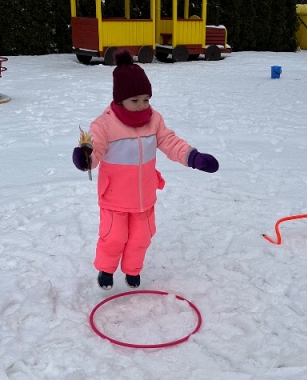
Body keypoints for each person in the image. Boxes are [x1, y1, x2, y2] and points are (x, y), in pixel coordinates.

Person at [72, 49, 219, 290]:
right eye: (135, 100)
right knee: (114, 238)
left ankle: (132, 271)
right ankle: (106, 270)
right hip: (114, 198)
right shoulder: (105, 124)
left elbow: (170, 142)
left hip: (144, 197)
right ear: (120, 100)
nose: (142, 106)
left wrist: (193, 157)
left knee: (141, 238)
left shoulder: (154, 120)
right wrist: (85, 158)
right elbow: (94, 149)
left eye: (146, 99)